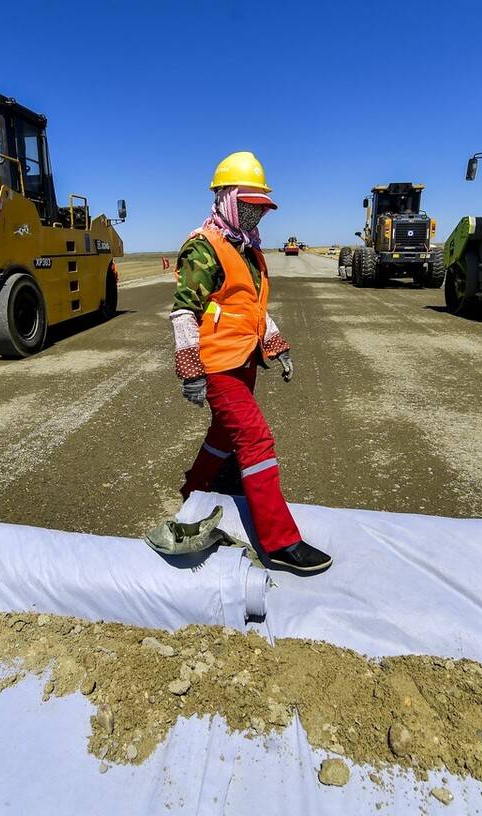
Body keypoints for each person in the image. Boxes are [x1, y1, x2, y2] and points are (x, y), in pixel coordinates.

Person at [168, 151, 333, 576]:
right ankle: (280, 542)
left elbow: (251, 308)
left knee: (224, 434)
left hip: (242, 361)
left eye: (260, 209)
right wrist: (190, 370)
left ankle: (198, 487)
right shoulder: (203, 248)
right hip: (218, 366)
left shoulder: (249, 251)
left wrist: (277, 346)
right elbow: (184, 311)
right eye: (248, 206)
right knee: (256, 440)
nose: (255, 216)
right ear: (225, 199)